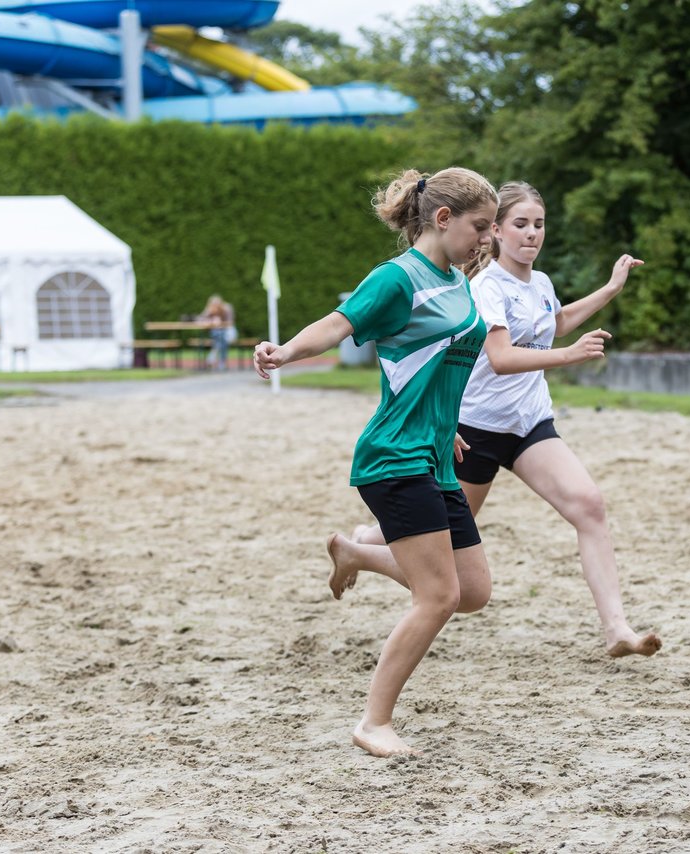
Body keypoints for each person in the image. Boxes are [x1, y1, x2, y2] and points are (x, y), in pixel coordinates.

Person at [333, 181, 662, 658]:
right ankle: (362, 547)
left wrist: (610, 289)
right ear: (496, 232)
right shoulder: (484, 286)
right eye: (520, 224)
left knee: (588, 506)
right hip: (473, 431)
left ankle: (617, 629)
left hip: (528, 426)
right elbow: (503, 357)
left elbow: (555, 321)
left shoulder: (541, 283)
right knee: (442, 561)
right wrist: (568, 356)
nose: (532, 234)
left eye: (540, 224)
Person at [254, 167, 498, 757]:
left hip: (435, 452)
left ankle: (359, 551)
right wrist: (285, 350)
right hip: (394, 457)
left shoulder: (457, 278)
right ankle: (373, 722)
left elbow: (438, 368)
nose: (487, 239)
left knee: (473, 591)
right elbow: (340, 325)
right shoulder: (398, 280)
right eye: (480, 226)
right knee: (437, 597)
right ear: (443, 219)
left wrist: (447, 428)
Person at [200, 295, 236, 371]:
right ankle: (222, 363)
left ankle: (211, 358)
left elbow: (230, 323)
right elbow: (200, 319)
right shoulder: (210, 310)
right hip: (220, 336)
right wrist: (209, 321)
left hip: (229, 333)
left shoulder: (226, 308)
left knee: (220, 335)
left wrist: (220, 323)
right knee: (219, 336)